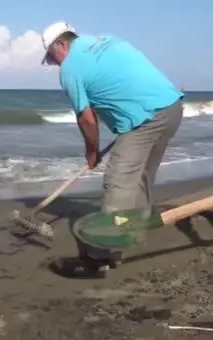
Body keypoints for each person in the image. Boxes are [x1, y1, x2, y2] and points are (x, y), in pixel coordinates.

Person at [41, 21, 184, 220]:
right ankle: (136, 228)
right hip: (172, 106)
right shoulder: (107, 40)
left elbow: (87, 119)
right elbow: (105, 92)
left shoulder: (69, 68)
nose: (54, 63)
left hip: (145, 120)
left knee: (119, 182)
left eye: (51, 56)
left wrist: (92, 151)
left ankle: (109, 245)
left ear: (61, 45)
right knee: (142, 174)